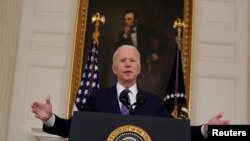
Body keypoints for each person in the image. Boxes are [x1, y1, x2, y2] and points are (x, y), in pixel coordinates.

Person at [31, 45, 230, 141]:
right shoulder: (98, 98)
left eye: (132, 60)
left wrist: (206, 128)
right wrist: (50, 118)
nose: (128, 64)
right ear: (114, 68)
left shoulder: (152, 102)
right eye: (122, 60)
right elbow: (72, 128)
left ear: (139, 68)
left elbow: (175, 131)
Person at [116, 9, 170, 95]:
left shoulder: (145, 29)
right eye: (125, 19)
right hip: (132, 70)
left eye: (129, 19)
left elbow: (164, 38)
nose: (126, 22)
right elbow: (119, 52)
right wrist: (126, 36)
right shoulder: (122, 35)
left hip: (149, 67)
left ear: (136, 20)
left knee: (149, 92)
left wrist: (157, 53)